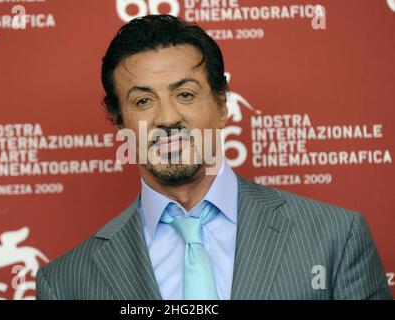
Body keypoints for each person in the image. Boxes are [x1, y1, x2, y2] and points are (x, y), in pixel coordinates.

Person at [36, 15, 392, 300]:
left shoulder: (334, 238)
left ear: (222, 106)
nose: (167, 118)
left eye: (185, 94)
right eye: (143, 101)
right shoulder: (66, 283)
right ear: (119, 121)